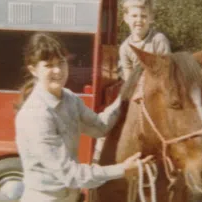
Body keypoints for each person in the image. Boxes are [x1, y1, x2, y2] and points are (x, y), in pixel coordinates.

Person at [15, 32, 153, 202]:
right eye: (49, 65)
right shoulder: (36, 115)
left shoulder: (69, 98)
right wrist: (122, 170)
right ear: (33, 70)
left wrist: (125, 95)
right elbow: (70, 174)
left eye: (61, 63)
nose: (58, 71)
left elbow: (100, 127)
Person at [93, 0, 171, 163]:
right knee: (112, 112)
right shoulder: (125, 48)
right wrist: (136, 93)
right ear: (126, 18)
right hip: (136, 88)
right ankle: (99, 151)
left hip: (158, 87)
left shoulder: (158, 40)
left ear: (151, 19)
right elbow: (129, 78)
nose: (139, 20)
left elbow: (166, 71)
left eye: (144, 16)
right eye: (134, 16)